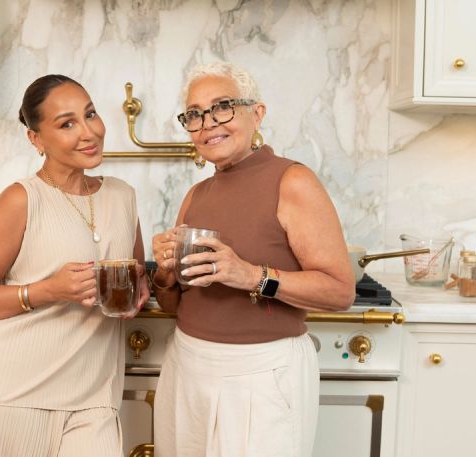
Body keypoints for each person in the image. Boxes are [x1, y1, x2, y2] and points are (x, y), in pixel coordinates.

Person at [150, 62, 355, 457]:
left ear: (256, 113)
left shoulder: (292, 181)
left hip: (263, 373)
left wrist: (250, 275)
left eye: (222, 107)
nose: (208, 123)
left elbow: (340, 291)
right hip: (187, 366)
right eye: (194, 114)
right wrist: (165, 273)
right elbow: (176, 305)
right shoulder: (196, 195)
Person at [0, 74, 149, 457]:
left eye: (90, 115)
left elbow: (134, 275)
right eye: (67, 123)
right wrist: (48, 290)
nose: (88, 132)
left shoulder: (123, 196)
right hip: (4, 399)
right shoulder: (21, 199)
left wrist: (142, 287)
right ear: (36, 139)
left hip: (92, 401)